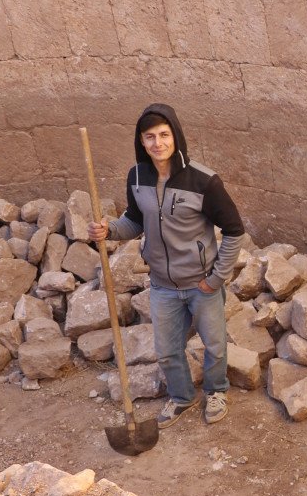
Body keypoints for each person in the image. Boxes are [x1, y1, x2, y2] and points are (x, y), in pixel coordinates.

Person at [89, 103, 245, 428]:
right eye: (150, 137)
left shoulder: (204, 181)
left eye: (163, 135)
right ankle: (183, 396)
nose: (157, 143)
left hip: (202, 284)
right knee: (167, 351)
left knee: (214, 347)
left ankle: (216, 391)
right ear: (141, 142)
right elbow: (135, 221)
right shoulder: (137, 176)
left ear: (175, 136)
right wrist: (110, 230)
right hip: (162, 285)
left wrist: (216, 279)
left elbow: (234, 231)